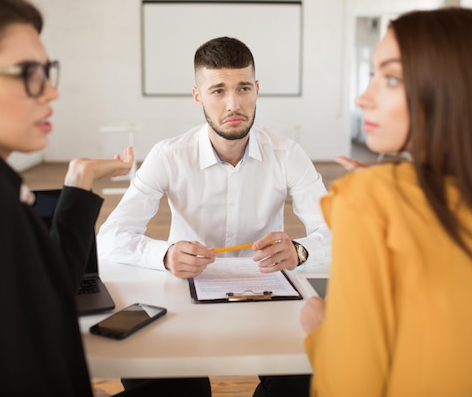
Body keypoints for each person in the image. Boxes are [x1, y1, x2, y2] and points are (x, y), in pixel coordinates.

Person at [0, 0, 206, 397]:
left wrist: (79, 183)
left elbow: (46, 289)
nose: (52, 92)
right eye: (28, 74)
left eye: (48, 71)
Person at [301, 7, 472, 396]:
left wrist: (322, 329)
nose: (363, 97)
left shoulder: (372, 201)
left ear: (454, 90)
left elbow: (348, 388)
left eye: (390, 78)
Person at [97, 36, 330, 397]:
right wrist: (164, 255)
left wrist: (301, 251)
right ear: (198, 96)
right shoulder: (169, 155)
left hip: (269, 295)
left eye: (243, 88)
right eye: (218, 90)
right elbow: (110, 236)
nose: (233, 103)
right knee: (166, 385)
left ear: (257, 90)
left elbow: (337, 234)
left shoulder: (288, 153)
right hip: (183, 296)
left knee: (308, 378)